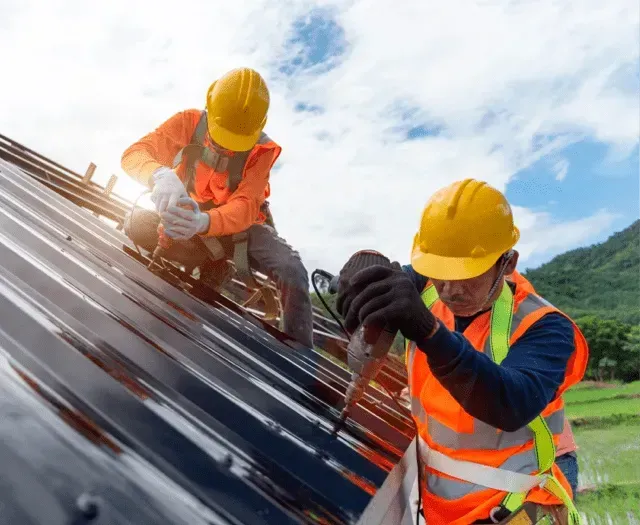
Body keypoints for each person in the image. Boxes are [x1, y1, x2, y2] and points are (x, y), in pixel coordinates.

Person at [335, 179, 588, 524]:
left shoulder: (545, 327)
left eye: (466, 275)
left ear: (508, 262)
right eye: (440, 273)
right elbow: (393, 279)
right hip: (445, 503)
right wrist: (368, 265)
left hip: (516, 501)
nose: (450, 290)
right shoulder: (426, 287)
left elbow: (510, 402)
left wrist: (428, 331)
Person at [120, 67, 313, 348]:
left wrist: (204, 223)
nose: (226, 148)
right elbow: (134, 155)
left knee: (292, 270)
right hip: (191, 219)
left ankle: (300, 359)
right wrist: (158, 175)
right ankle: (212, 263)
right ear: (209, 107)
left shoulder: (262, 151)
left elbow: (246, 207)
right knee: (135, 223)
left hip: (241, 232)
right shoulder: (188, 123)